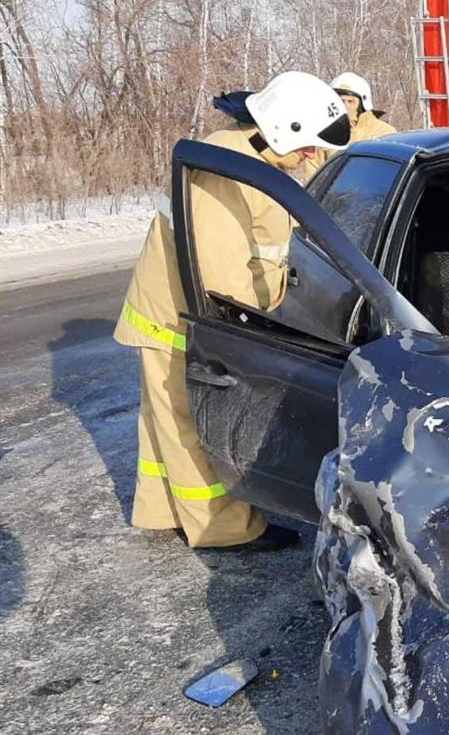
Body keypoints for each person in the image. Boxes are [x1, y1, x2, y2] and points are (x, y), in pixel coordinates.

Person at [115, 71, 350, 550]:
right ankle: (223, 530)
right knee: (193, 426)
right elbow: (222, 280)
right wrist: (255, 339)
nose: (312, 157)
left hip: (170, 316)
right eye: (307, 146)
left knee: (166, 418)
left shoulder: (244, 156)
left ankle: (160, 509)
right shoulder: (228, 174)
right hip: (184, 323)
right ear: (282, 129)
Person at [302, 72, 395, 181]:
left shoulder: (385, 133)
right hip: (333, 195)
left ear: (362, 105)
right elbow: (312, 175)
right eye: (340, 101)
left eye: (350, 101)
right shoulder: (324, 133)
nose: (344, 106)